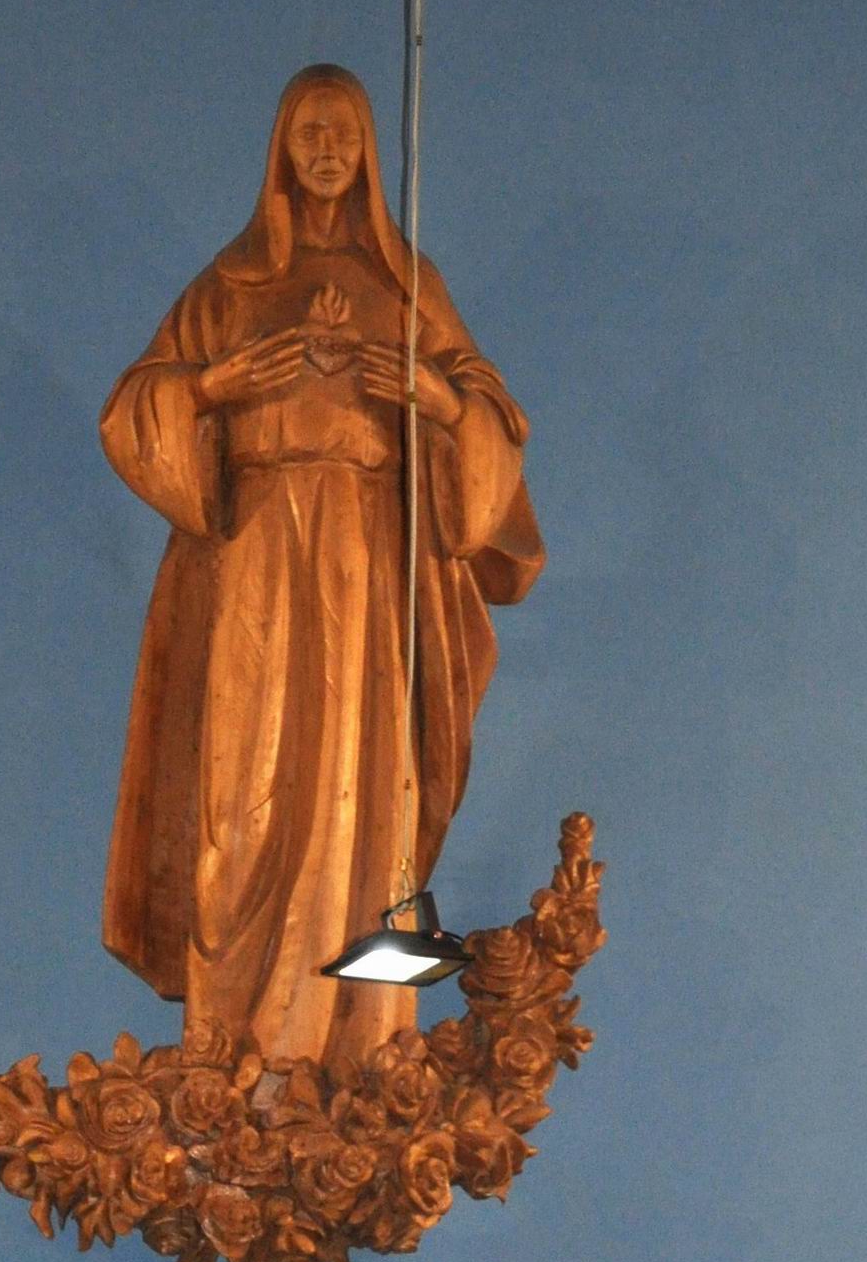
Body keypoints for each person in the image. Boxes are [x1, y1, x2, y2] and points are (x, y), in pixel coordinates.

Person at [101, 63, 543, 1072]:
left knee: (365, 781)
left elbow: (490, 426)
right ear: (281, 151)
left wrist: (436, 401)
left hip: (366, 562)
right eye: (309, 132)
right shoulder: (231, 284)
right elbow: (134, 408)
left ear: (372, 151)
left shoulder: (408, 286)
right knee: (242, 788)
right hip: (255, 553)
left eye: (344, 132)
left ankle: (362, 1044)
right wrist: (213, 387)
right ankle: (231, 1054)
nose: (328, 151)